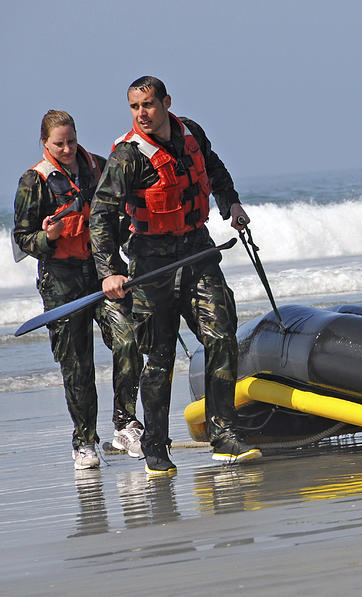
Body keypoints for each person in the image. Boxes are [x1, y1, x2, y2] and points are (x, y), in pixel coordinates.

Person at [90, 76, 261, 475]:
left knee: (221, 336)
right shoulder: (127, 157)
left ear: (166, 102)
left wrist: (230, 204)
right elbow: (100, 217)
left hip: (198, 249)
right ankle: (154, 445)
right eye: (134, 107)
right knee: (160, 356)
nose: (142, 114)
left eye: (148, 105)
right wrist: (109, 272)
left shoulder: (191, 133)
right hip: (151, 263)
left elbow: (214, 169)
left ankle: (224, 436)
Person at [13, 110, 143, 469]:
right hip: (61, 283)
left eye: (71, 140)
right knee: (77, 366)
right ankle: (84, 442)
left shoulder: (99, 168)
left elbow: (124, 216)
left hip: (103, 272)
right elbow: (22, 239)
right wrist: (46, 236)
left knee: (129, 339)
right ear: (45, 143)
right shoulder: (33, 182)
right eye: (59, 143)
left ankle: (125, 423)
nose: (68, 148)